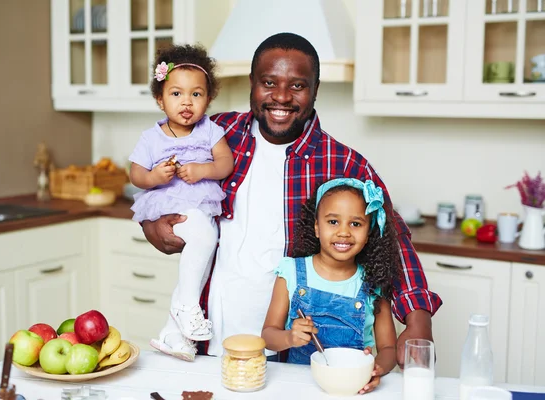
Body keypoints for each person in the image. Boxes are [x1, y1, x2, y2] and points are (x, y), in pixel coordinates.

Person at [142, 32, 442, 367]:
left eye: (298, 86)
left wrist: (417, 320)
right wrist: (150, 222)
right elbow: (157, 169)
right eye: (269, 82)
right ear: (252, 84)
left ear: (315, 91)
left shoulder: (342, 163)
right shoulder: (216, 135)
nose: (281, 96)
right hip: (210, 327)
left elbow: (392, 235)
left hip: (293, 343)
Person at [128, 44, 234, 360]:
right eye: (176, 94)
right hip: (167, 205)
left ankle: (172, 333)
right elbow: (136, 173)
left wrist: (204, 170)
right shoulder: (151, 137)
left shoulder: (211, 131)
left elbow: (225, 164)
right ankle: (187, 307)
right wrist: (156, 177)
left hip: (199, 200)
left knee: (201, 258)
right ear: (160, 99)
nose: (186, 102)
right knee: (205, 240)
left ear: (209, 98)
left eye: (196, 94)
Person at [262, 178, 399, 393]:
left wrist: (376, 369)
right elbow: (268, 337)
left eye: (356, 223)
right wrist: (289, 337)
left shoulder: (374, 283)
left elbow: (389, 347)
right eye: (333, 222)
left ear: (369, 232)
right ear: (317, 227)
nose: (344, 232)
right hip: (297, 388)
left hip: (353, 388)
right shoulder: (291, 272)